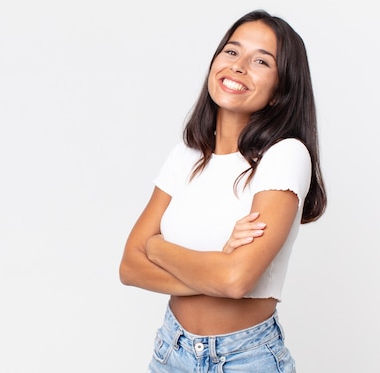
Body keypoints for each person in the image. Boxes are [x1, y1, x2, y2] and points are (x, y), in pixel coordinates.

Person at [119, 9, 327, 372]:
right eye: (231, 52)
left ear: (281, 91)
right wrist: (216, 263)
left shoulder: (285, 155)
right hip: (172, 351)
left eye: (261, 61)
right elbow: (130, 267)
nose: (239, 66)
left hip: (246, 358)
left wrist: (156, 247)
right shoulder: (187, 154)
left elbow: (235, 280)